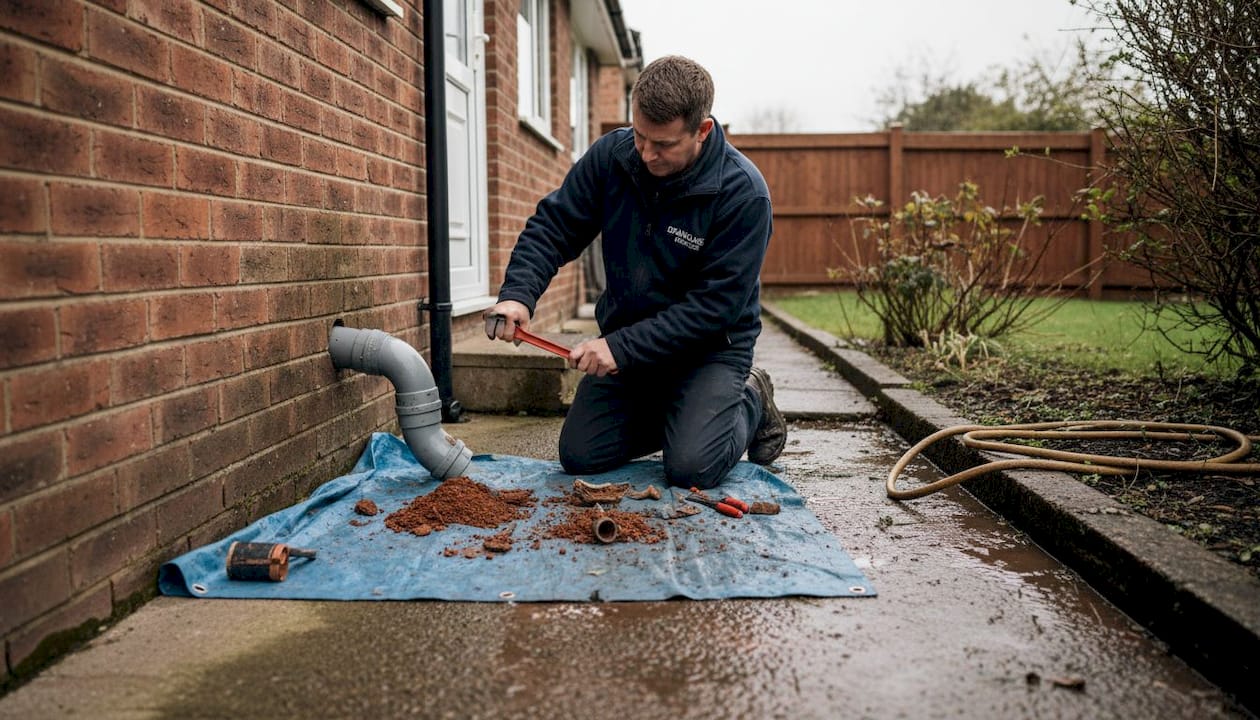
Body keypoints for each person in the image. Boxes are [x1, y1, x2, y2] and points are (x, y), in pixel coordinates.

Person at [483, 55, 785, 490]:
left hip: (709, 352)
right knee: (580, 455)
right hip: (631, 347)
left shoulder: (742, 195)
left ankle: (750, 397)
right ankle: (690, 419)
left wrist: (618, 348)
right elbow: (554, 226)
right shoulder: (614, 157)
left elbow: (712, 309)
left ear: (702, 131)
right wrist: (518, 294)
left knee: (690, 469)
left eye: (662, 144)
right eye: (640, 135)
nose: (645, 154)